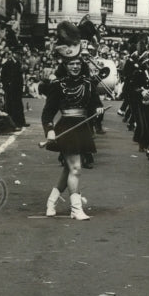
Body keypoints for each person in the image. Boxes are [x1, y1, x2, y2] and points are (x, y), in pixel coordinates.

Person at [42, 53, 103, 220]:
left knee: (68, 169)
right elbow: (47, 113)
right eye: (71, 64)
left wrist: (98, 108)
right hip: (66, 128)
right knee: (76, 168)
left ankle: (51, 201)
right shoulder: (57, 85)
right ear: (65, 66)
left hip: (82, 128)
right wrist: (50, 131)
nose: (75, 66)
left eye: (77, 63)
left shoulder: (88, 84)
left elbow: (95, 103)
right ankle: (76, 209)